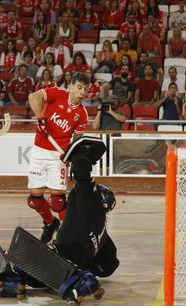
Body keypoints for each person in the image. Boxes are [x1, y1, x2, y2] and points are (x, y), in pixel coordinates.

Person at [26, 72, 89, 242]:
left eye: (86, 89)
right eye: (79, 88)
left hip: (58, 156)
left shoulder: (82, 114)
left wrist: (71, 158)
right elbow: (33, 97)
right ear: (71, 86)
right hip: (39, 150)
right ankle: (50, 223)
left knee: (58, 201)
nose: (82, 92)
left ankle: (67, 236)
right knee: (35, 199)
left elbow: (76, 141)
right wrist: (41, 119)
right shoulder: (57, 93)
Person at [53, 139, 119, 278]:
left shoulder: (92, 206)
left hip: (64, 254)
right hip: (80, 265)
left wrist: (77, 154)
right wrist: (89, 269)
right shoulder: (101, 229)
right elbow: (110, 265)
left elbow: (82, 172)